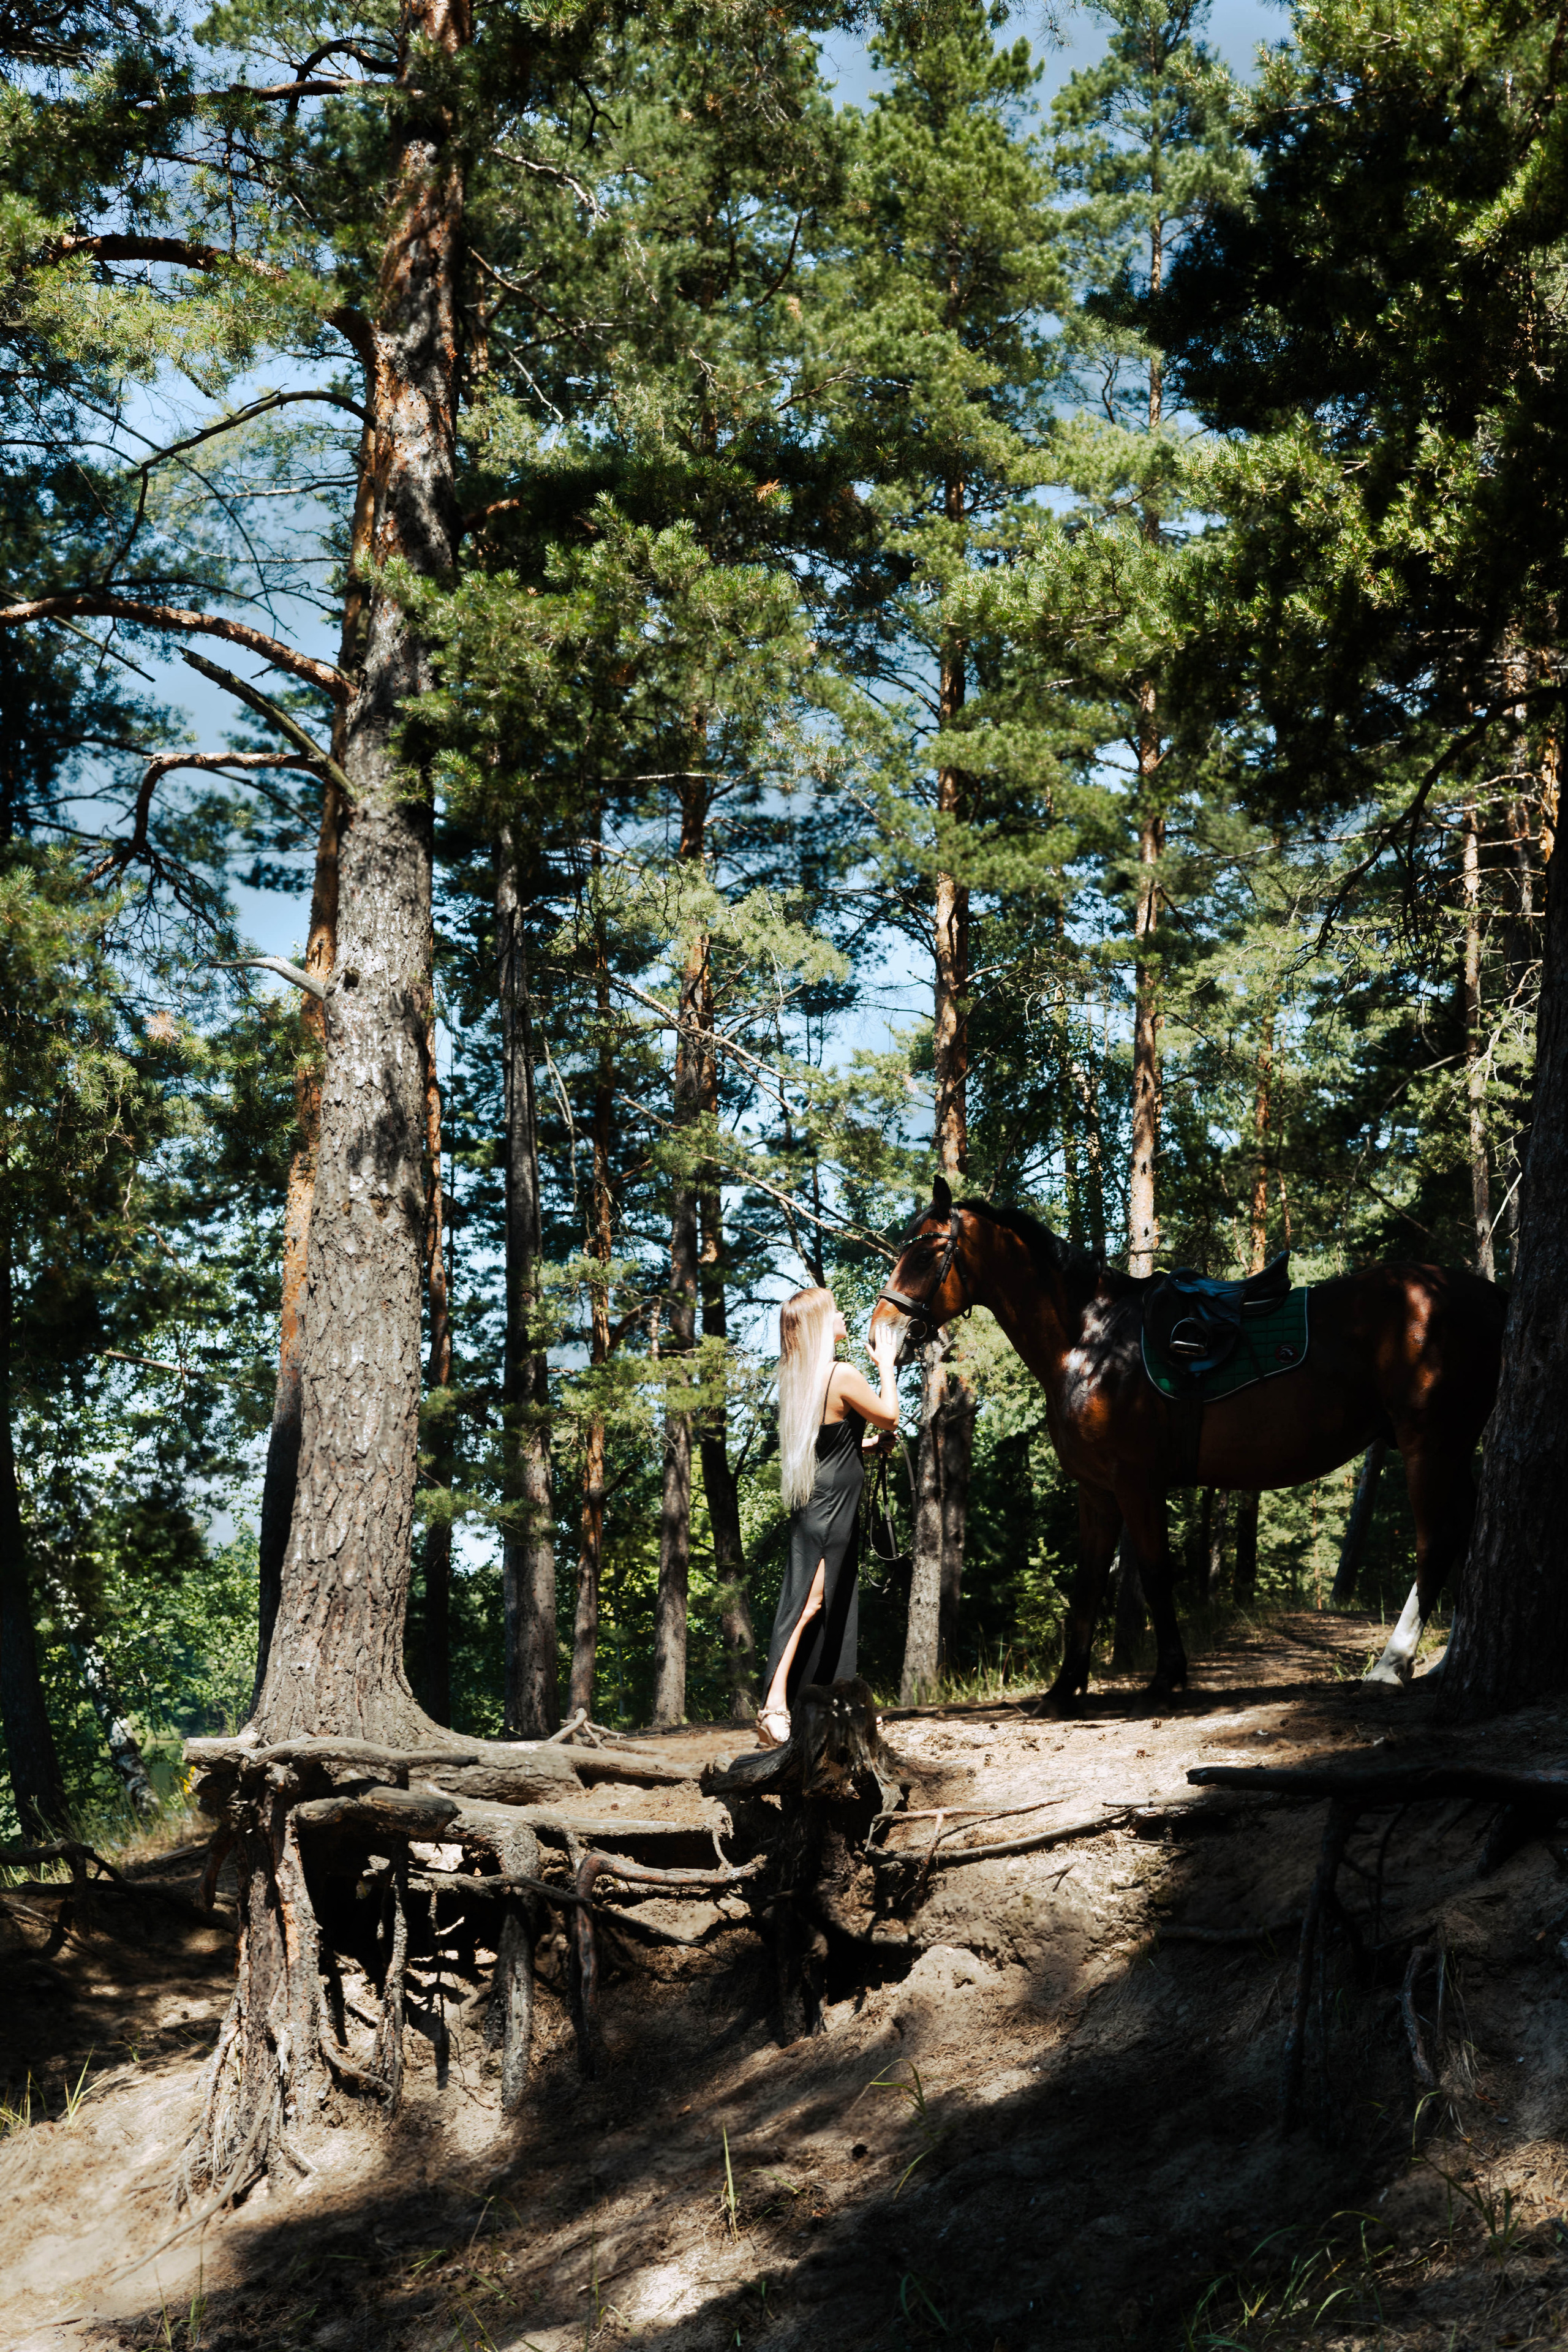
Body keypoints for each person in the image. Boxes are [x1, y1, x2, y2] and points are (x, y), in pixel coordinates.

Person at [758, 1286, 902, 1748]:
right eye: (835, 1309)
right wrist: (886, 1367)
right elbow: (890, 1417)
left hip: (818, 1504)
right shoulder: (842, 1373)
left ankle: (834, 1708)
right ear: (822, 1324)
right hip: (831, 1509)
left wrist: (861, 1448)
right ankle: (773, 1706)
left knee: (821, 1604)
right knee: (811, 1604)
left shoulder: (804, 1377)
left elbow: (826, 1445)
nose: (843, 1314)